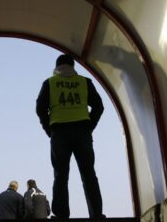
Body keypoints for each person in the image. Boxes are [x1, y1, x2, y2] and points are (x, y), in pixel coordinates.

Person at [36, 54, 105, 219]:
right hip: (82, 131)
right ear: (73, 66)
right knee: (89, 174)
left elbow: (40, 108)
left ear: (56, 66)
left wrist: (49, 129)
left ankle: (61, 215)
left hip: (59, 133)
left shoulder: (50, 83)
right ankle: (96, 214)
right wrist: (90, 127)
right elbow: (99, 106)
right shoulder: (84, 82)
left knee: (60, 176)